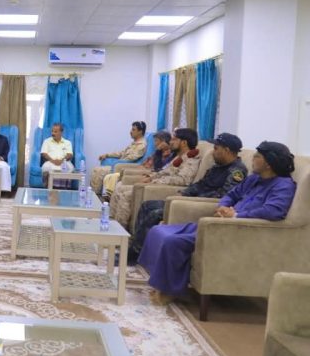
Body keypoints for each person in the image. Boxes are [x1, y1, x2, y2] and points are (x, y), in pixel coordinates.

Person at [139, 141, 296, 304]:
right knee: (159, 231)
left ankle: (169, 291)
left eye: (257, 157)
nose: (252, 160)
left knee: (173, 241)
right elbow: (231, 195)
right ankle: (160, 283)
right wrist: (223, 207)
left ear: (268, 163)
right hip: (221, 223)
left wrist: (236, 215)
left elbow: (274, 211)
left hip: (239, 231)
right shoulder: (254, 179)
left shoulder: (284, 185)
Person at [130, 133, 247, 263]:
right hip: (190, 200)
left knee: (155, 214)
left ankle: (134, 254)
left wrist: (190, 199)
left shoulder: (237, 171)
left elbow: (224, 195)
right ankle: (136, 246)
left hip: (200, 205)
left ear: (227, 150)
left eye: (216, 149)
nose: (213, 152)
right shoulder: (217, 167)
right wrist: (184, 193)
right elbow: (201, 184)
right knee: (147, 205)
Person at [110, 128, 201, 230]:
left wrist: (155, 181)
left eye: (174, 139)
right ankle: (111, 222)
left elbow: (183, 180)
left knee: (125, 194)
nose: (170, 142)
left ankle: (119, 230)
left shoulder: (192, 158)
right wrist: (150, 177)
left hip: (166, 189)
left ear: (184, 143)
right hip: (157, 182)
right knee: (120, 188)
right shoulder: (179, 157)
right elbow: (163, 171)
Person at [101, 130, 173, 198]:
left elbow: (158, 168)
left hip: (154, 176)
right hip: (147, 172)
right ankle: (108, 198)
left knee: (115, 179)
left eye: (156, 141)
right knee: (111, 177)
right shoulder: (157, 152)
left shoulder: (169, 155)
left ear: (164, 141)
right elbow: (144, 164)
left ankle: (108, 197)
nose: (154, 143)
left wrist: (157, 152)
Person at [90, 121, 148, 191]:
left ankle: (95, 194)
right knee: (96, 170)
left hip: (123, 167)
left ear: (140, 132)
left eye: (133, 130)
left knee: (99, 171)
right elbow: (122, 153)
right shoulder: (134, 143)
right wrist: (107, 155)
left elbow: (131, 158)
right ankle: (94, 194)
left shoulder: (141, 145)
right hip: (119, 165)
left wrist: (117, 162)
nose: (130, 132)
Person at [40, 123, 74, 188]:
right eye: (52, 131)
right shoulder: (47, 141)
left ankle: (64, 188)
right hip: (50, 161)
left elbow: (70, 154)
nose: (53, 133)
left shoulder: (67, 143)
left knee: (70, 168)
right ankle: (48, 186)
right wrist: (53, 161)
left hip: (64, 162)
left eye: (55, 132)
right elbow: (44, 153)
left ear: (61, 132)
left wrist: (62, 161)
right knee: (45, 168)